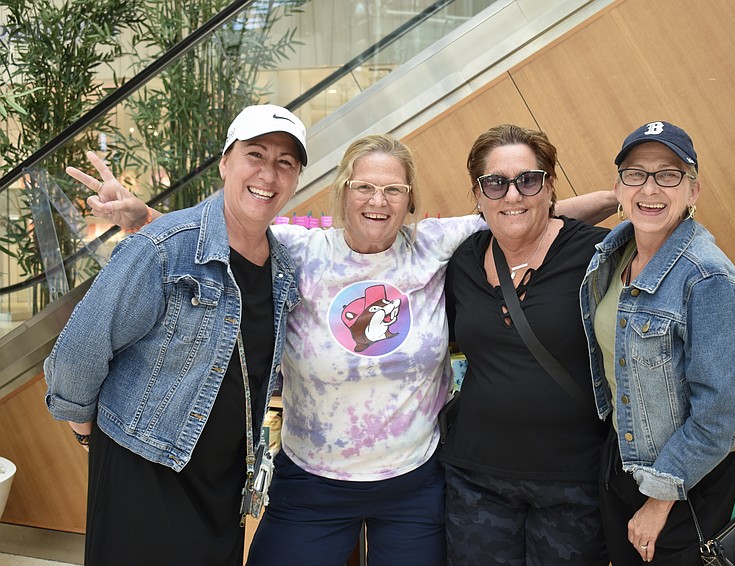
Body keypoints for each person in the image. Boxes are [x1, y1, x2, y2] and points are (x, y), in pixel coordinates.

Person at [82, 125, 617, 564]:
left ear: (410, 199)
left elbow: (523, 214)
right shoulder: (296, 249)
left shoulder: (433, 244)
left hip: (414, 482)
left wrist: (628, 200)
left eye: (393, 190)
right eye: (364, 187)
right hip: (312, 482)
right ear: (342, 192)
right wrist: (143, 217)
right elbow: (218, 234)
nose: (377, 201)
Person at [44, 104, 307, 565]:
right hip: (143, 471)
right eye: (255, 154)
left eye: (285, 162)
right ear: (225, 162)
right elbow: (78, 351)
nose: (269, 174)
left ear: (297, 178)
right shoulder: (162, 248)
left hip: (223, 484)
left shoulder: (282, 267)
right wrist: (89, 434)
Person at [579, 121, 735, 565]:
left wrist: (659, 501)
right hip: (625, 452)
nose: (650, 188)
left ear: (694, 190)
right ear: (618, 189)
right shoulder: (614, 253)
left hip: (686, 476)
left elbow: (717, 416)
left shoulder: (707, 277)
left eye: (668, 174)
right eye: (636, 174)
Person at [440, 124, 610, 565]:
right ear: (478, 195)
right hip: (476, 480)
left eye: (528, 180)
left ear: (550, 186)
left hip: (575, 483)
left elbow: (673, 284)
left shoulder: (598, 253)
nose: (512, 195)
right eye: (495, 183)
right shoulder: (461, 260)